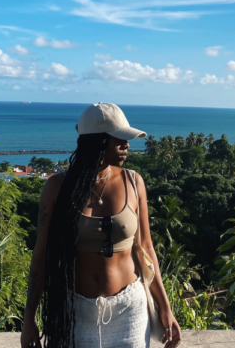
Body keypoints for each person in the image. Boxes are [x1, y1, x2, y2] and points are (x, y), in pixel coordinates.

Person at [21, 102, 182, 348]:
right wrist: (29, 317)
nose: (127, 145)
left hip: (130, 311)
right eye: (120, 139)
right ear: (98, 141)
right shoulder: (57, 188)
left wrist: (165, 307)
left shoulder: (133, 182)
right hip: (74, 313)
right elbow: (41, 254)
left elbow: (147, 249)